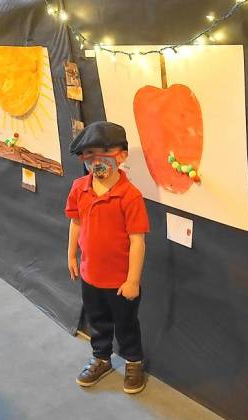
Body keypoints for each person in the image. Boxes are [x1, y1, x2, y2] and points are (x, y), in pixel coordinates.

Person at [65, 121, 149, 394]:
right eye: (89, 154)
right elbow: (76, 223)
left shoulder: (130, 196)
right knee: (98, 321)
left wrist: (133, 280)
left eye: (104, 152)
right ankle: (101, 357)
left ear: (121, 155)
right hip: (91, 277)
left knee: (126, 323)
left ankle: (133, 361)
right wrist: (71, 255)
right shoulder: (80, 188)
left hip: (120, 282)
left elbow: (138, 241)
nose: (95, 160)